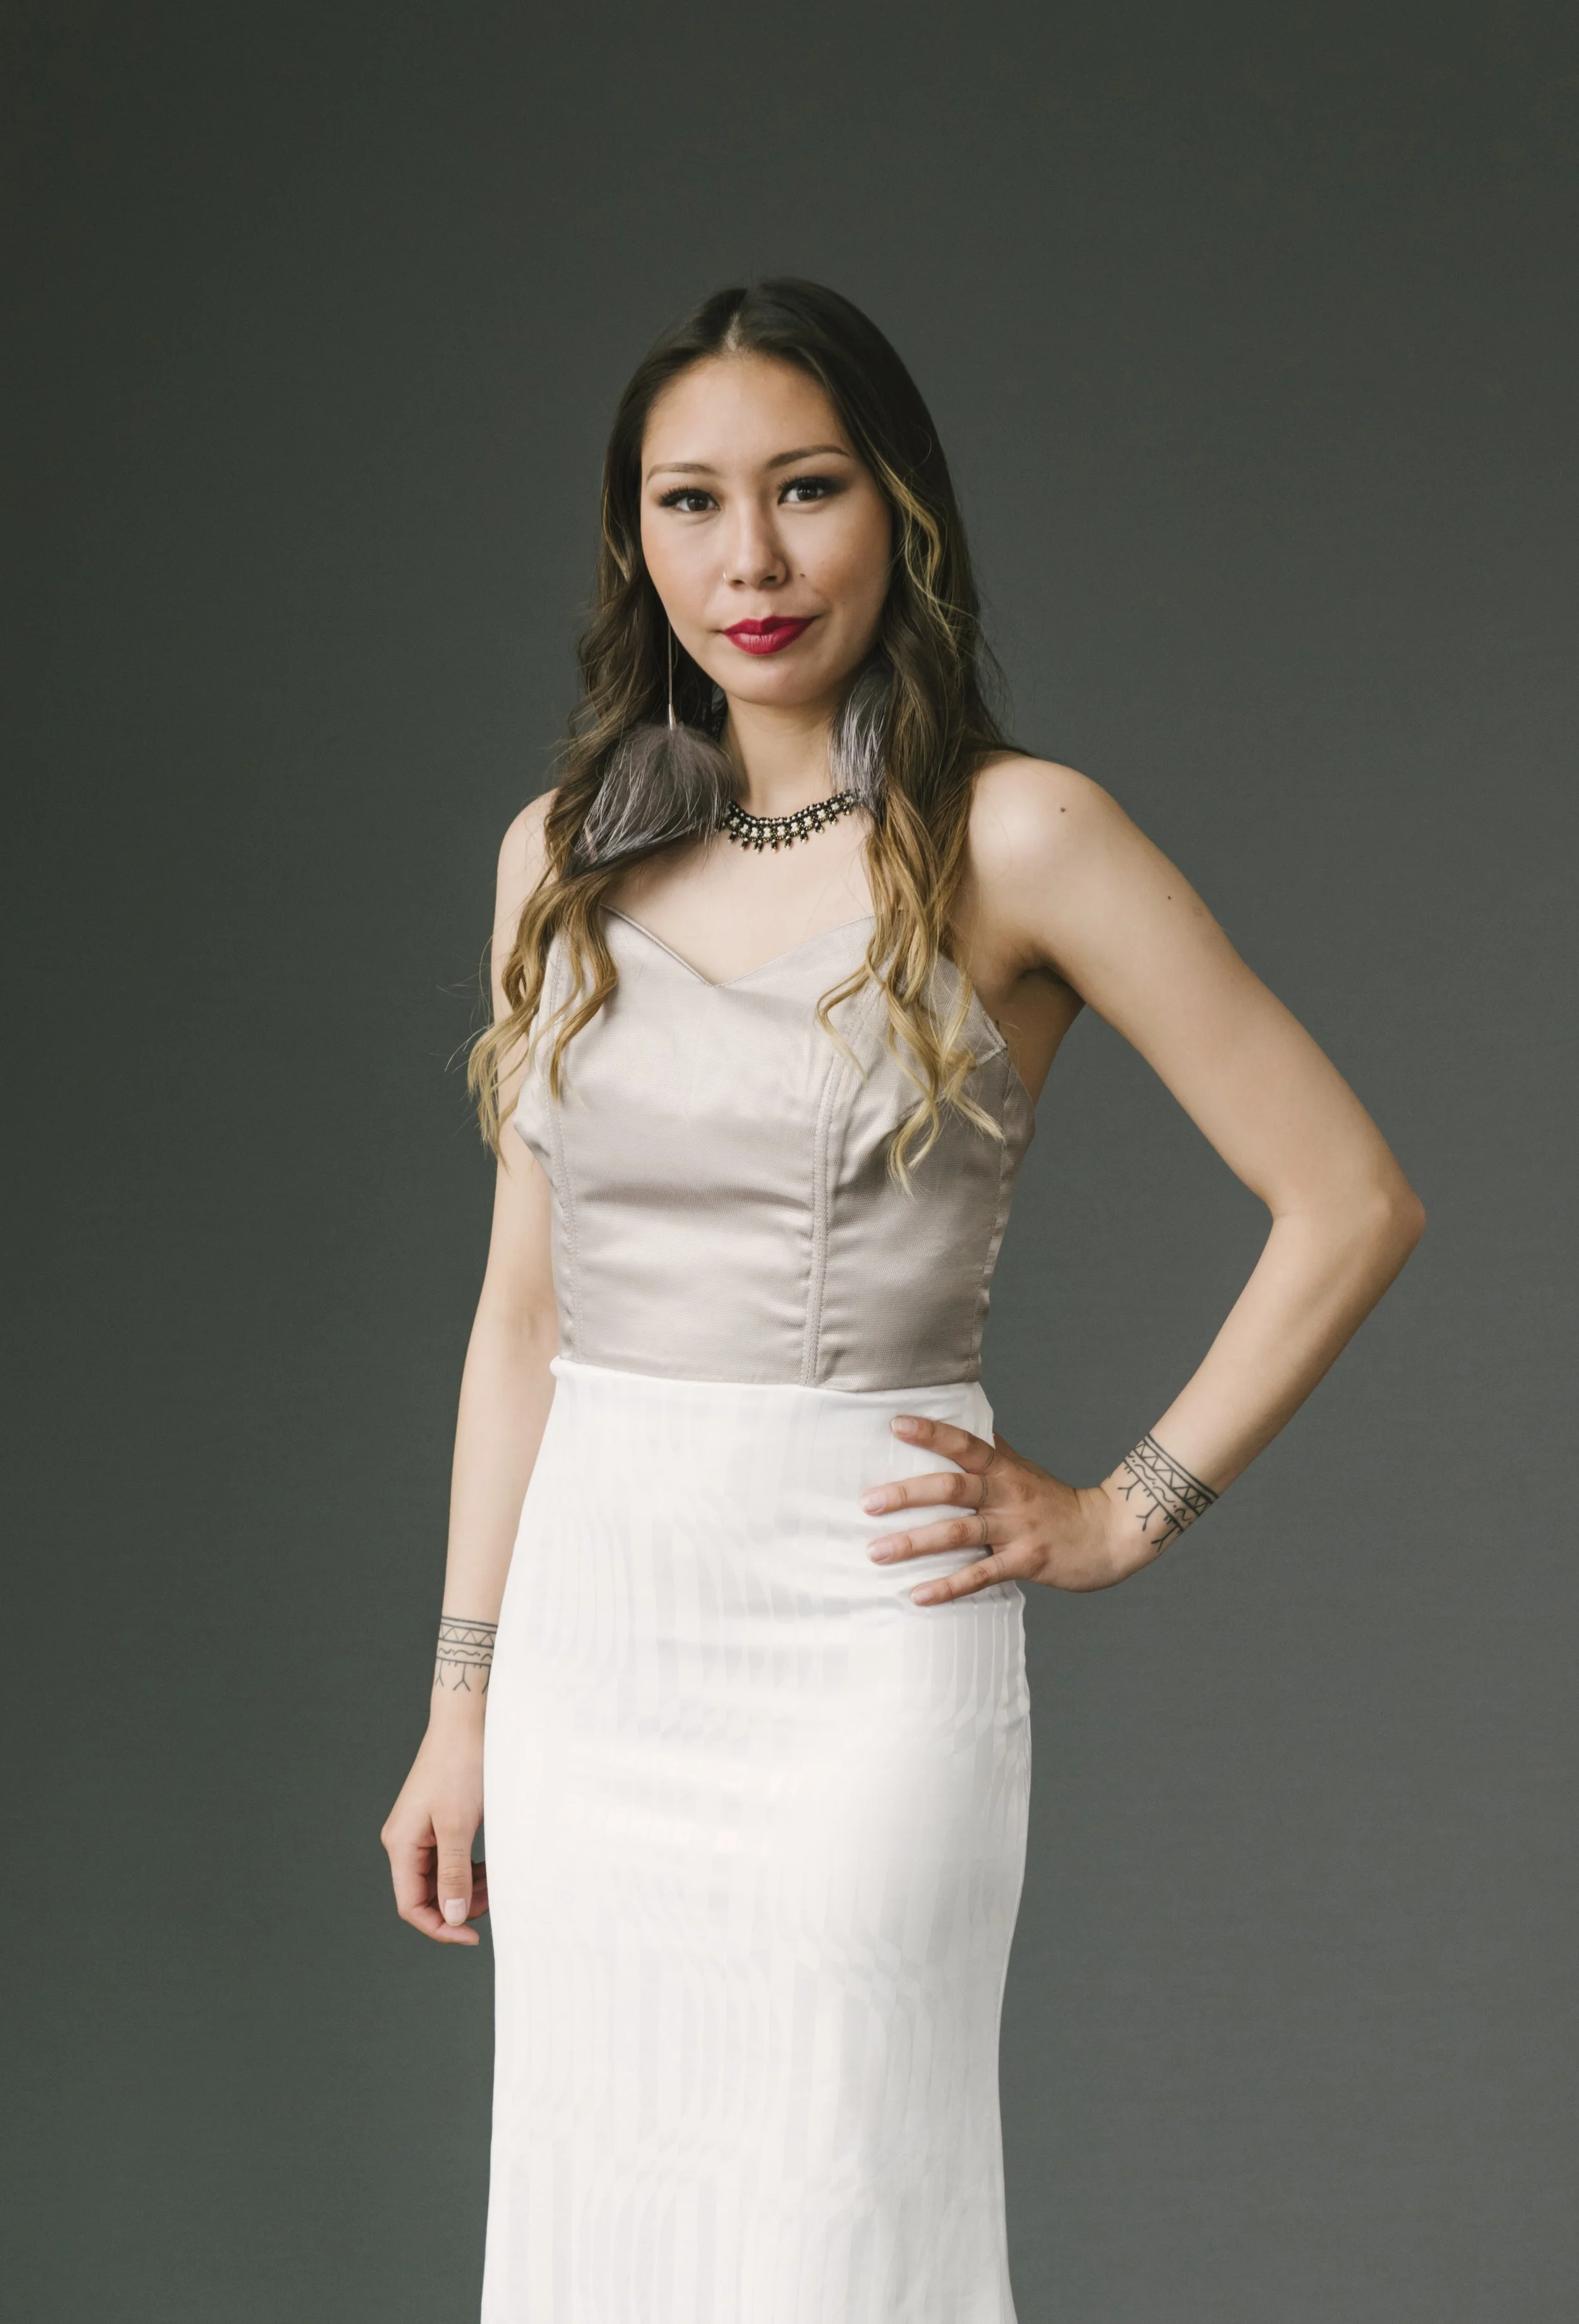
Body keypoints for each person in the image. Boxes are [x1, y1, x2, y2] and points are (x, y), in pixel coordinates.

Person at [380, 277, 1424, 2322]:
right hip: (598, 1650)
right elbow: (524, 1317)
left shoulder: (1017, 833)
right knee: (604, 2220)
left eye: (804, 490)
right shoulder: (558, 856)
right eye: (689, 503)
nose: (746, 560)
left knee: (837, 2222)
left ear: (901, 511)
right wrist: (461, 1699)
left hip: (860, 1643)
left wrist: (1125, 1507)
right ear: (635, 543)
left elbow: (1347, 1197)